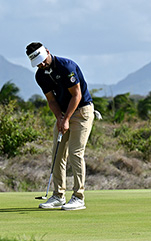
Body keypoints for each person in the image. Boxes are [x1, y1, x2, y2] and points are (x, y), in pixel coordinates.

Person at [26, 42, 94, 211]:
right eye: (37, 63)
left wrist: (66, 119)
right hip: (63, 113)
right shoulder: (40, 76)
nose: (41, 65)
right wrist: (59, 118)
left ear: (48, 52)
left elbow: (76, 95)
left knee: (75, 153)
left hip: (81, 112)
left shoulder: (66, 66)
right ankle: (58, 196)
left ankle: (79, 197)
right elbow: (51, 100)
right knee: (57, 155)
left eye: (42, 60)